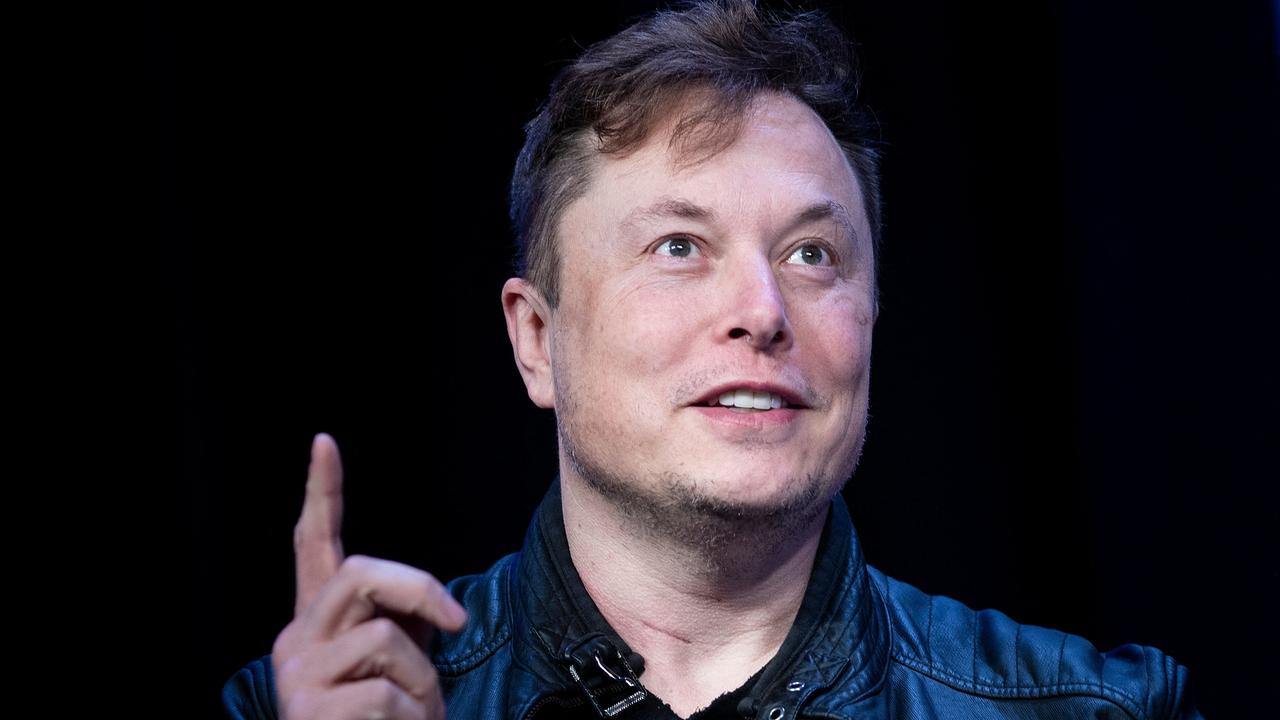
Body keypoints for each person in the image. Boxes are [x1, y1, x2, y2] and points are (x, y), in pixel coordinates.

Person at [223, 1, 1203, 718]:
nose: (763, 311)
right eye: (679, 247)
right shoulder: (313, 706)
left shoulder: (1095, 712)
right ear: (534, 340)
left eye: (809, 254)